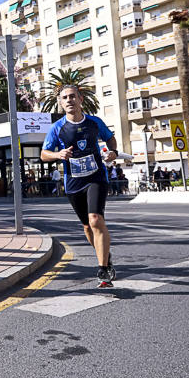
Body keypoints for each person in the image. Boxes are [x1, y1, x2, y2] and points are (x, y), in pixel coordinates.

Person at [41, 84, 119, 287]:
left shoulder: (94, 122)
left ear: (80, 99)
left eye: (72, 96)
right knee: (86, 226)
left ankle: (103, 269)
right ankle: (106, 257)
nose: (69, 100)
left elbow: (111, 140)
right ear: (60, 103)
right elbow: (44, 154)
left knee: (95, 220)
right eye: (65, 97)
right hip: (74, 183)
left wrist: (113, 153)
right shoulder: (57, 128)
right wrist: (57, 154)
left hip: (96, 178)